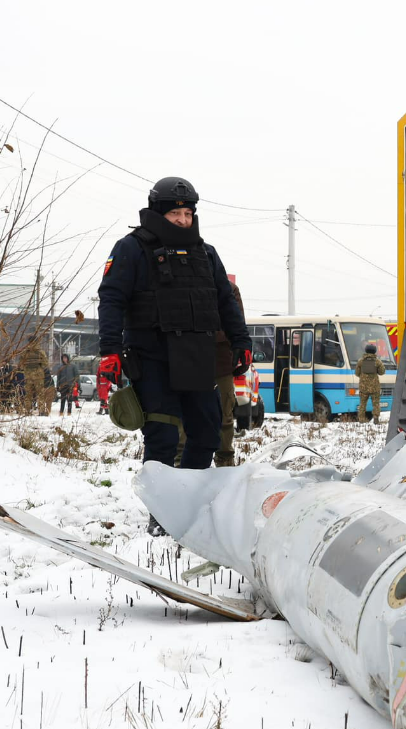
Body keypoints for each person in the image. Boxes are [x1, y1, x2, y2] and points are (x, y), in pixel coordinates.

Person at [96, 176, 251, 533]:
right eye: (175, 214)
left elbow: (225, 301)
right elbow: (112, 298)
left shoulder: (205, 252)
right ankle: (162, 516)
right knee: (163, 436)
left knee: (207, 433)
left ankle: (190, 503)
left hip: (197, 357)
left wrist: (241, 341)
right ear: (157, 213)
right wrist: (109, 351)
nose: (183, 220)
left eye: (187, 213)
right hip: (151, 357)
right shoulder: (130, 248)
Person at [212, 281, 247, 466]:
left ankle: (225, 461)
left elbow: (236, 324)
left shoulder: (228, 288)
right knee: (184, 416)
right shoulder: (182, 283)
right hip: (188, 359)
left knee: (225, 415)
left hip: (221, 361)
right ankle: (182, 464)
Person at [354, 342, 385, 423]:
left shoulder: (360, 361)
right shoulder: (377, 361)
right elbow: (382, 372)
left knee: (362, 403)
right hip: (375, 387)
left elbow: (357, 373)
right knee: (376, 403)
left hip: (363, 387)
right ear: (375, 351)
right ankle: (376, 418)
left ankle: (361, 419)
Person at [20, 341, 49, 416]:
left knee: (28, 395)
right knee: (40, 394)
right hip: (38, 375)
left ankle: (27, 411)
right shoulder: (40, 352)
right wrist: (39, 369)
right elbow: (46, 364)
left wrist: (27, 370)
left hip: (28, 376)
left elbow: (21, 365)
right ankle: (41, 411)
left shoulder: (25, 352)